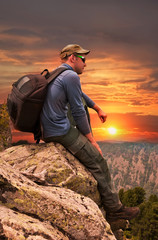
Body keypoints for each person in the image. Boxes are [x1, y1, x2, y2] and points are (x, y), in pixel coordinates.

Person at [41, 44, 140, 222]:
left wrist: (96, 107)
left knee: (80, 109)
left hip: (48, 128)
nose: (85, 63)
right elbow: (78, 111)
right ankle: (115, 209)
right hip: (59, 130)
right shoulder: (70, 75)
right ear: (72, 57)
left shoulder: (58, 73)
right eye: (83, 59)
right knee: (98, 162)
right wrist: (91, 141)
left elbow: (79, 94)